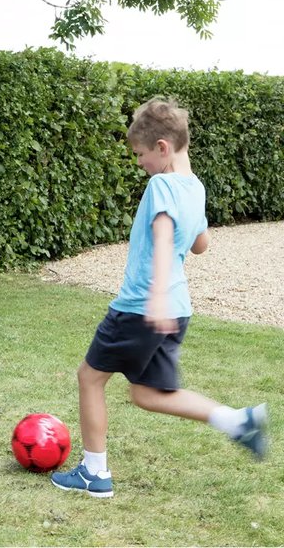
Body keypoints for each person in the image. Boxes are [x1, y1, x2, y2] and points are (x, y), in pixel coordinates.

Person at [51, 97, 268, 498]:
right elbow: (201, 244)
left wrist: (155, 298)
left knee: (89, 377)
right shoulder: (194, 187)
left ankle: (94, 473)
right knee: (147, 393)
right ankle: (235, 421)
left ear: (163, 147)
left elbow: (166, 237)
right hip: (178, 309)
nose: (139, 163)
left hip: (142, 306)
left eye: (140, 154)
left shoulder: (161, 185)